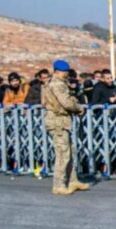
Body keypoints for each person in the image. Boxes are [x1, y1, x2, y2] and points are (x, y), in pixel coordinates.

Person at [41, 60, 88, 196]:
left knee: (70, 151)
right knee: (63, 154)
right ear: (59, 71)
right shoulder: (58, 84)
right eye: (66, 71)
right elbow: (66, 103)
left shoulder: (53, 83)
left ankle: (72, 180)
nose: (67, 73)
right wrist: (79, 108)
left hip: (60, 120)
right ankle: (59, 185)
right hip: (58, 121)